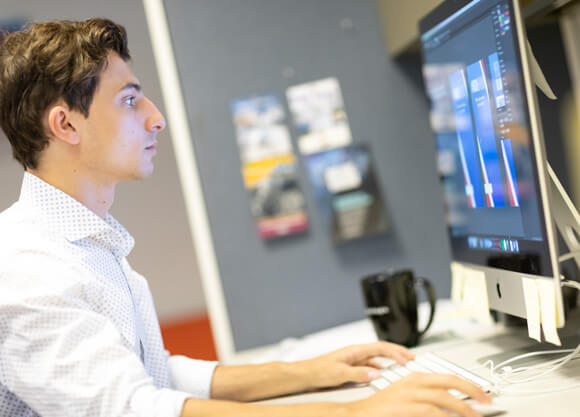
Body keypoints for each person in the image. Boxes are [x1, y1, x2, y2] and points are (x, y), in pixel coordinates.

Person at [0, 18, 490, 417]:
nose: (156, 117)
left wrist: (311, 372)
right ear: (65, 124)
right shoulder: (27, 267)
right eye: (129, 100)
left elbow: (156, 374)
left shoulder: (88, 244)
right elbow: (135, 408)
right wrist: (355, 413)